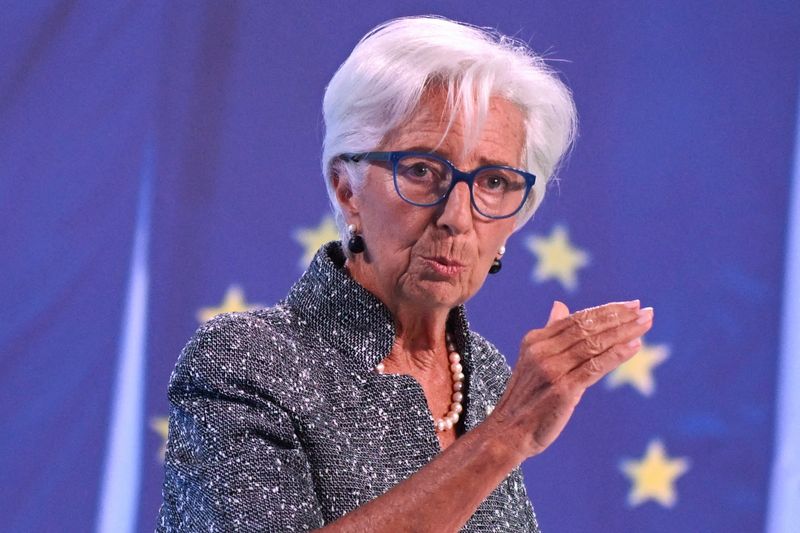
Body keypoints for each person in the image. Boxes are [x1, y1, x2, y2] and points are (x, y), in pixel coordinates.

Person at [157, 15, 653, 532]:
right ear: (348, 190)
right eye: (421, 170)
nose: (457, 216)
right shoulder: (246, 361)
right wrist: (506, 435)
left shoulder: (481, 372)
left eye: (493, 181)